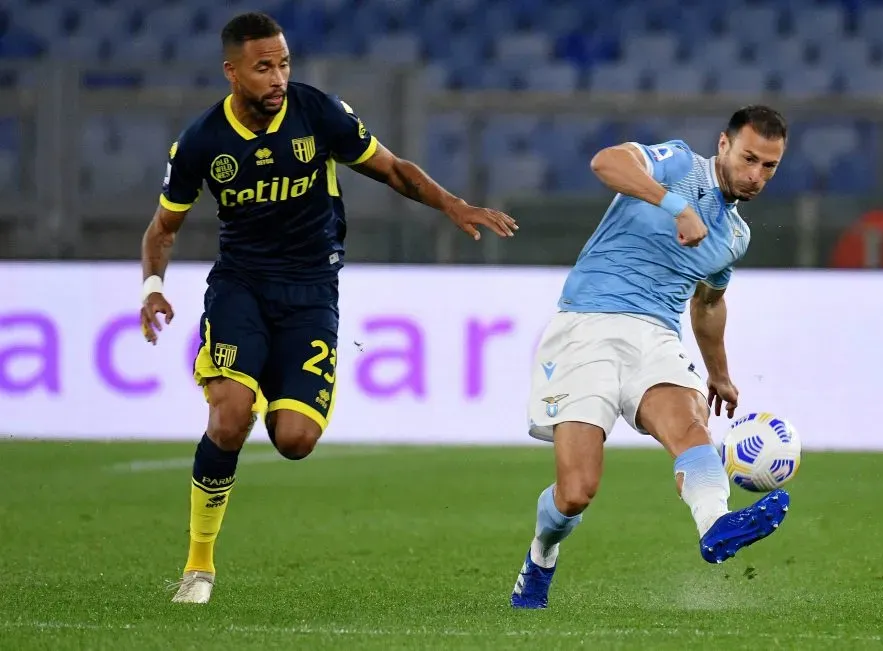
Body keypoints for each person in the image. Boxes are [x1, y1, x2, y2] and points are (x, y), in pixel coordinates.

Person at [138, 12, 517, 605]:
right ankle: (198, 566)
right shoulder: (202, 143)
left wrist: (452, 204)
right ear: (232, 72)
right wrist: (152, 287)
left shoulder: (318, 114)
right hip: (241, 286)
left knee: (294, 439)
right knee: (230, 416)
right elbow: (162, 229)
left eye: (284, 63)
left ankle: (259, 383)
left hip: (313, 291)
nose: (278, 77)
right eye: (264, 67)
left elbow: (391, 169)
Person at [510, 106, 788, 609]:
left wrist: (719, 374)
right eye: (749, 158)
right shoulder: (678, 163)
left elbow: (707, 302)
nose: (756, 176)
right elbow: (606, 163)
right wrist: (675, 206)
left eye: (769, 167)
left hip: (656, 335)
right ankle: (541, 555)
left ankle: (715, 526)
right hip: (586, 326)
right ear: (723, 145)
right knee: (576, 491)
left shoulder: (735, 236)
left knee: (689, 424)